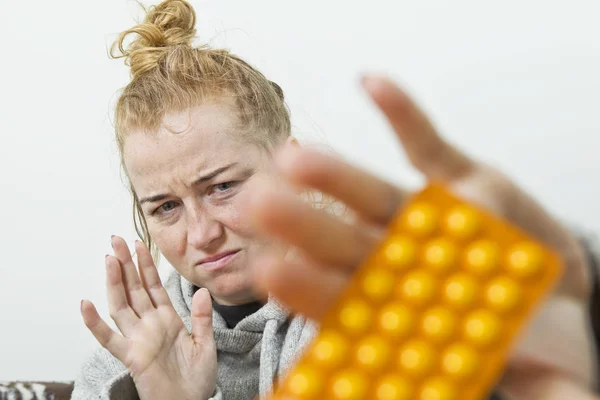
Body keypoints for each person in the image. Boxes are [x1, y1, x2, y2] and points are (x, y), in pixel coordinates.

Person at [72, 1, 600, 399]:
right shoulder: (128, 361)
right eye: (165, 206)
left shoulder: (396, 301)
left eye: (223, 186)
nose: (202, 232)